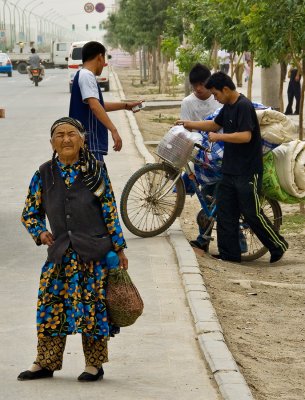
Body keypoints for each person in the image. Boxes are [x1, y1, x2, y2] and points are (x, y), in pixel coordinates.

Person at [18, 117, 128, 382]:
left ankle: (94, 365)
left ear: (82, 139)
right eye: (59, 135)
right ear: (52, 143)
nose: (66, 139)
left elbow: (110, 211)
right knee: (50, 309)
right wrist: (40, 232)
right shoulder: (44, 173)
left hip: (93, 254)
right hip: (59, 256)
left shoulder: (96, 170)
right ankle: (46, 363)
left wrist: (120, 248)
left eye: (71, 134)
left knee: (92, 310)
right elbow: (29, 213)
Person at [176, 72, 288, 263]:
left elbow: (245, 136)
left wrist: (220, 137)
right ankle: (230, 255)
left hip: (247, 171)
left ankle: (278, 245)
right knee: (227, 214)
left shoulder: (243, 106)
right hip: (229, 169)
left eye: (216, 94)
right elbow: (214, 124)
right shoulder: (227, 106)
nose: (215, 98)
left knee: (251, 213)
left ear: (226, 89)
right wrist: (189, 124)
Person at [69, 41, 142, 161]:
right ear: (100, 57)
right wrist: (114, 130)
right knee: (96, 179)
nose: (104, 64)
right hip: (89, 142)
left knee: (100, 179)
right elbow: (94, 106)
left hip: (87, 142)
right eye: (104, 59)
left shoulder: (83, 75)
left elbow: (98, 105)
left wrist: (126, 105)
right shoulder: (86, 76)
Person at [180, 63, 221, 251]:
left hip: (220, 154)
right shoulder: (188, 103)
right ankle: (204, 239)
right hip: (202, 158)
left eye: (202, 84)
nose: (199, 89)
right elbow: (187, 129)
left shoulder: (219, 98)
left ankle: (238, 241)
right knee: (208, 199)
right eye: (194, 85)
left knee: (220, 200)